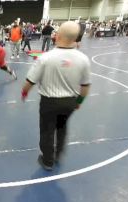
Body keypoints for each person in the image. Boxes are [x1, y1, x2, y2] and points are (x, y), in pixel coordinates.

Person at [21, 21, 91, 171]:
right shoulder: (83, 59)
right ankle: (58, 154)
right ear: (76, 38)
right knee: (62, 127)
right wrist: (79, 101)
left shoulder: (46, 58)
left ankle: (47, 160)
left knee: (47, 130)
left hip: (49, 102)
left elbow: (30, 80)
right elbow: (85, 86)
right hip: (69, 102)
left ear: (57, 36)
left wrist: (24, 92)